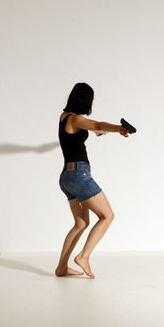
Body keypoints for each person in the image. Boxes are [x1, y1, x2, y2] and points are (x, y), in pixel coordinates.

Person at [55, 83, 129, 278]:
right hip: (80, 175)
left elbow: (90, 130)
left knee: (80, 224)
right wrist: (118, 129)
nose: (93, 102)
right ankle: (84, 257)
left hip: (66, 176)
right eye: (92, 99)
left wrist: (98, 131)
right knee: (107, 216)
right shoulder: (76, 118)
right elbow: (96, 124)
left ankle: (62, 267)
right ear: (85, 100)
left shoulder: (65, 118)